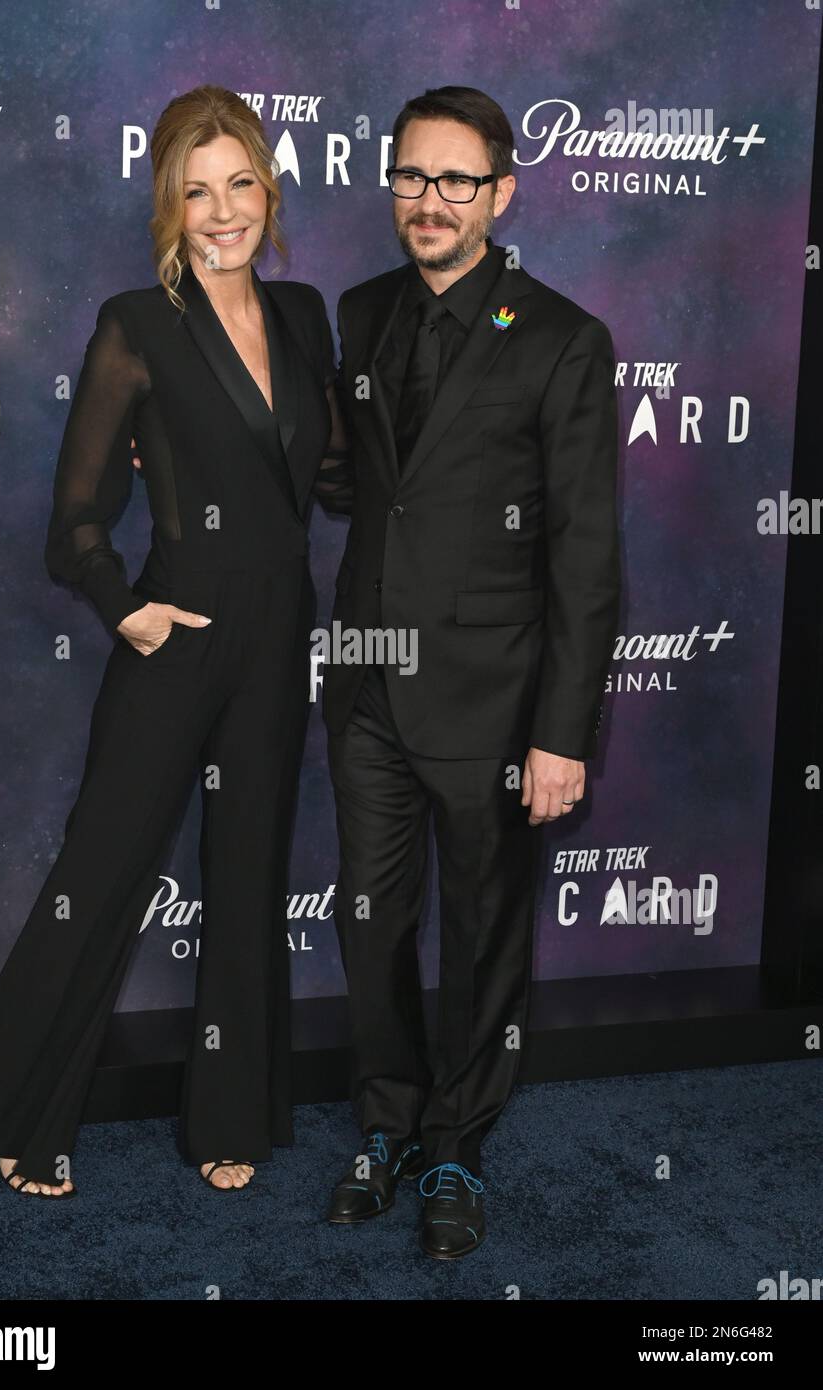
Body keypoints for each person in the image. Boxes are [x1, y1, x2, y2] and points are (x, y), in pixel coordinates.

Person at [0, 84, 351, 1198]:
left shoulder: (306, 315)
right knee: (100, 872)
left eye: (239, 184)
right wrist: (129, 609)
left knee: (250, 873)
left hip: (277, 642)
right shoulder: (136, 322)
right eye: (195, 192)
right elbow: (72, 521)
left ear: (269, 187)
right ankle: (19, 1112)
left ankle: (232, 1119)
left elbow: (335, 474)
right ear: (168, 204)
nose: (221, 212)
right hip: (175, 635)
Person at [323, 86, 621, 1257]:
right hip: (366, 690)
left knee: (485, 930)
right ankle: (387, 1121)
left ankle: (458, 1141)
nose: (428, 201)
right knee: (372, 925)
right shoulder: (358, 314)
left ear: (501, 191)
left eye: (454, 180)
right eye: (410, 176)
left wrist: (563, 731)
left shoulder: (561, 337)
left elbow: (584, 558)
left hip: (495, 705)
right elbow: (354, 487)